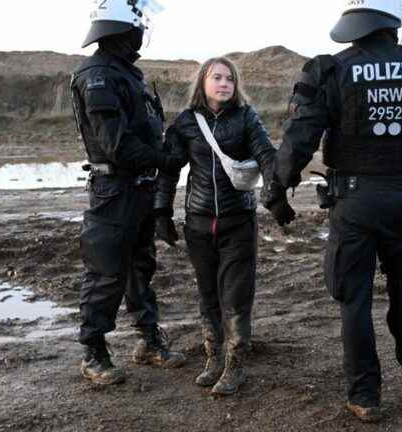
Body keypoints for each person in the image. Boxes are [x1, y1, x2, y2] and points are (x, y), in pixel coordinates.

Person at [262, 0, 402, 422]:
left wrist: (277, 190)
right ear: (396, 18)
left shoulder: (330, 69)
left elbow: (299, 138)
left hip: (353, 202)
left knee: (354, 300)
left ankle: (365, 397)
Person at [70, 0, 185, 386]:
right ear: (123, 30)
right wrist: (165, 159)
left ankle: (148, 341)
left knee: (141, 266)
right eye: (138, 28)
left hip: (139, 187)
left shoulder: (127, 73)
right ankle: (93, 352)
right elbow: (117, 144)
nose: (141, 35)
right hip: (114, 189)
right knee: (105, 272)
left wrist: (159, 162)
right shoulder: (98, 75)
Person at [158, 57, 283, 396]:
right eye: (217, 77)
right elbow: (169, 169)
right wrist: (161, 212)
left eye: (230, 78)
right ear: (203, 82)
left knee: (236, 296)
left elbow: (267, 155)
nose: (224, 83)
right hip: (198, 223)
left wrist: (276, 196)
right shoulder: (185, 122)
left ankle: (235, 364)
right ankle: (213, 358)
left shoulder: (246, 118)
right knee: (207, 293)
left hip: (237, 222)